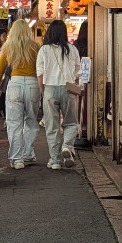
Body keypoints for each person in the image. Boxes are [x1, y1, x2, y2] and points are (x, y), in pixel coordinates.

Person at [0, 19, 39, 169]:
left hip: (15, 85)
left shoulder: (8, 46)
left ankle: (16, 158)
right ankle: (27, 153)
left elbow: (0, 69)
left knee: (14, 123)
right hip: (33, 85)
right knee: (31, 121)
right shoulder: (35, 47)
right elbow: (40, 69)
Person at [37, 19, 82, 169]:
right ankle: (67, 147)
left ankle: (55, 160)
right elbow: (77, 72)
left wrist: (43, 92)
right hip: (68, 89)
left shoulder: (44, 50)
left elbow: (40, 74)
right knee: (70, 122)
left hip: (50, 88)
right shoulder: (72, 49)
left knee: (52, 126)